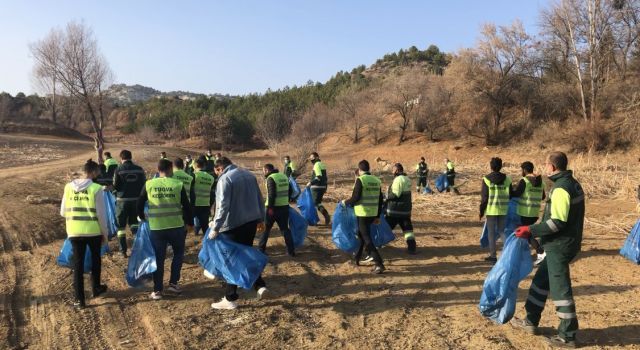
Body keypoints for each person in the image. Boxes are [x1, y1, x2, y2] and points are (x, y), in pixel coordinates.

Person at [511, 152, 585, 348]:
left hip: (559, 246)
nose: (544, 168)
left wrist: (530, 230)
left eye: (545, 164)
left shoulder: (561, 189)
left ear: (552, 167)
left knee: (560, 288)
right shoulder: (573, 184)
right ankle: (530, 321)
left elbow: (557, 222)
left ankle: (567, 335)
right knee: (541, 281)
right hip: (562, 244)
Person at [208, 157, 268, 310]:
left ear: (219, 168)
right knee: (243, 257)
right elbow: (260, 199)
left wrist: (215, 227)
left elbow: (222, 206)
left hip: (232, 225)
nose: (217, 175)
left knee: (230, 261)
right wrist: (261, 219)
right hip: (250, 224)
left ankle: (230, 298)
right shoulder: (249, 175)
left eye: (216, 172)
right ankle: (260, 285)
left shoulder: (225, 179)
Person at [137, 159, 192, 300]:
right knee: (178, 254)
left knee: (159, 258)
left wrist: (141, 217)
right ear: (170, 169)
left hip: (157, 228)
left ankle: (157, 290)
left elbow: (139, 202)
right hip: (176, 227)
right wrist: (189, 223)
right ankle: (173, 284)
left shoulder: (149, 184)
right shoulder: (177, 184)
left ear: (158, 169)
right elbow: (186, 206)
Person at [60, 159, 109, 309]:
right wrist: (105, 235)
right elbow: (101, 215)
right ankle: (96, 288)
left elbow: (62, 212)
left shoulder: (68, 187)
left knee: (78, 265)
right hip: (93, 231)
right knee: (95, 260)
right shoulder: (96, 188)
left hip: (74, 231)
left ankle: (79, 300)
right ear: (93, 172)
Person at [342, 160, 385, 274]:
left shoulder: (360, 180)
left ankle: (379, 263)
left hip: (362, 214)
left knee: (366, 238)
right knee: (362, 236)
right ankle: (357, 258)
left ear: (360, 170)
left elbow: (355, 198)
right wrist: (377, 215)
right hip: (372, 213)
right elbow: (380, 200)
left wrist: (344, 203)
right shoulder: (376, 180)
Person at [113, 150, 146, 257]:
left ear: (121, 158)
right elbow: (144, 185)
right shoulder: (140, 170)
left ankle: (123, 251)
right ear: (131, 157)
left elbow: (115, 186)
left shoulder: (118, 169)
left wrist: (114, 192)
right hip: (136, 201)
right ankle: (138, 249)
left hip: (122, 202)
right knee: (135, 224)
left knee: (121, 228)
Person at [512, 161, 546, 263]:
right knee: (527, 232)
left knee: (525, 234)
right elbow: (543, 196)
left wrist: (510, 190)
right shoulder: (541, 181)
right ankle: (526, 252)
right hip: (535, 213)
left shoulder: (524, 181)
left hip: (524, 213)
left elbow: (517, 194)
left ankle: (540, 251)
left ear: (524, 170)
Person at [479, 157, 512, 263]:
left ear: (491, 166)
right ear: (501, 166)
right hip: (503, 209)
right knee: (502, 231)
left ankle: (493, 256)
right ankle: (509, 252)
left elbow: (484, 198)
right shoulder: (507, 179)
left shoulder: (486, 179)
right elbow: (510, 194)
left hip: (491, 210)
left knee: (491, 233)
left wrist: (481, 211)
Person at [258, 163, 295, 256]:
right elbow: (290, 190)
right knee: (285, 229)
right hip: (284, 207)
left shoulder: (270, 178)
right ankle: (291, 251)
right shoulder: (283, 176)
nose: (264, 173)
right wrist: (286, 200)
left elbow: (271, 194)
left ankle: (261, 250)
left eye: (264, 171)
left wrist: (270, 207)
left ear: (267, 170)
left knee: (266, 229)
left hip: (272, 209)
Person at [385, 163, 417, 254]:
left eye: (393, 170)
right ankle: (412, 248)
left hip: (395, 211)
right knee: (408, 230)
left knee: (385, 228)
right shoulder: (407, 179)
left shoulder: (398, 179)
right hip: (405, 210)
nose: (392, 172)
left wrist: (386, 196)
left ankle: (376, 245)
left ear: (397, 170)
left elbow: (395, 195)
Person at [191, 156, 215, 236]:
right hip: (206, 204)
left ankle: (196, 232)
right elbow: (212, 191)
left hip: (195, 204)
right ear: (204, 165)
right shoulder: (211, 178)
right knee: (205, 226)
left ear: (195, 165)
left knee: (193, 222)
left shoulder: (194, 176)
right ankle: (207, 241)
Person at [307, 152, 331, 225]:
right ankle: (326, 215)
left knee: (313, 203)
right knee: (318, 203)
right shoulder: (322, 164)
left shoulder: (316, 165)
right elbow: (325, 177)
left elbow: (318, 177)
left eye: (312, 158)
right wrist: (325, 187)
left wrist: (310, 182)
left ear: (317, 157)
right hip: (322, 187)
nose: (311, 160)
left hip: (316, 187)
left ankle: (313, 220)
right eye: (310, 158)